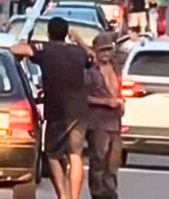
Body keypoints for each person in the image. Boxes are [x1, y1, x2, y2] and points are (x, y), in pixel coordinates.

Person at [10, 17, 94, 199]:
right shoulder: (78, 52)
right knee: (75, 154)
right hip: (79, 110)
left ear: (49, 33)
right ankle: (74, 197)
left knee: (53, 154)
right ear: (66, 33)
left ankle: (63, 195)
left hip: (57, 109)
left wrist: (24, 44)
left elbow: (17, 50)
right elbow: (91, 56)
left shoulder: (45, 49)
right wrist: (78, 39)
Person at [84, 33, 123, 199]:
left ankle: (111, 193)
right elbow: (83, 97)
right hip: (98, 122)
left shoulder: (116, 69)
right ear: (96, 52)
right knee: (98, 160)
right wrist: (105, 102)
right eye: (102, 50)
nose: (106, 54)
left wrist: (120, 103)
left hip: (115, 122)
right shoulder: (90, 73)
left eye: (108, 50)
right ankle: (98, 194)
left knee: (113, 162)